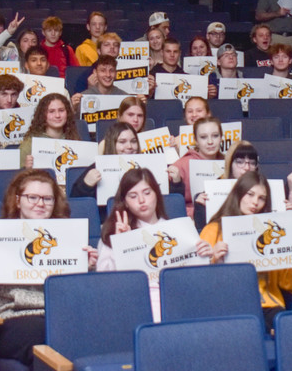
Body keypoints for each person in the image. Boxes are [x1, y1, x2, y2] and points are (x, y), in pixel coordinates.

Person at [0, 169, 97, 367]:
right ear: (18, 200)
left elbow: (81, 294)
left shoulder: (68, 237)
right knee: (47, 337)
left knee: (93, 333)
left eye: (48, 199)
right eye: (32, 197)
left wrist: (88, 267)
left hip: (61, 314)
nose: (40, 203)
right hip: (16, 317)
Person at [201, 171, 292, 329]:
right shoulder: (213, 230)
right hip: (227, 306)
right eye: (250, 194)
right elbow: (200, 283)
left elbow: (287, 283)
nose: (255, 202)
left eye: (261, 198)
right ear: (238, 194)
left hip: (269, 306)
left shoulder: (271, 234)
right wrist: (215, 262)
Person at [97, 168, 210, 320]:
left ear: (157, 194)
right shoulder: (114, 233)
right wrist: (120, 246)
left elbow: (195, 280)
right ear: (125, 202)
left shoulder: (178, 230)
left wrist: (204, 255)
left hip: (178, 302)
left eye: (147, 193)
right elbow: (104, 283)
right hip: (134, 306)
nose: (141, 200)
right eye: (133, 196)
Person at [169, 117, 225, 217]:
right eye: (203, 137)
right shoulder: (181, 164)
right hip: (192, 221)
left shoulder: (228, 162)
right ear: (196, 140)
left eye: (215, 136)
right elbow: (172, 206)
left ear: (221, 137)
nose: (210, 142)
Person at [71, 122, 140, 198]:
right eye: (122, 142)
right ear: (112, 144)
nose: (129, 146)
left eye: (133, 141)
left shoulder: (146, 167)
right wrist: (86, 185)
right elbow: (75, 203)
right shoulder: (96, 168)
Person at [20, 93, 82, 167]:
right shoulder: (30, 144)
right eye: (51, 111)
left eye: (61, 110)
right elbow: (13, 175)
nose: (57, 115)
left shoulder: (74, 139)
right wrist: (26, 169)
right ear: (43, 115)